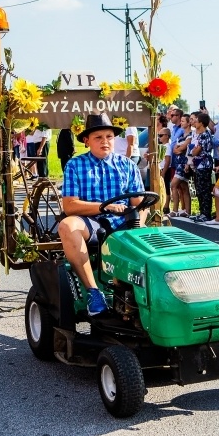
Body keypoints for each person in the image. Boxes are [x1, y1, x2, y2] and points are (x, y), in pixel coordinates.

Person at [59, 113, 144, 316]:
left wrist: (139, 223)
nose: (105, 141)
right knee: (67, 226)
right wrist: (105, 207)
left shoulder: (128, 165)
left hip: (124, 223)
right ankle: (93, 292)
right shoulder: (75, 165)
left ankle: (147, 294)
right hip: (91, 223)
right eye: (98, 137)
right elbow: (70, 206)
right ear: (87, 141)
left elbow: (139, 204)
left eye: (109, 137)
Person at [189, 112, 214, 222]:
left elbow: (196, 151)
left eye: (197, 121)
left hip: (204, 164)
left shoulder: (204, 135)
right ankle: (201, 212)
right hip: (199, 164)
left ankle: (206, 213)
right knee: (199, 189)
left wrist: (193, 150)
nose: (195, 122)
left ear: (201, 123)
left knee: (204, 189)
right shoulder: (200, 135)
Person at [170, 113, 192, 217]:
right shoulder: (181, 136)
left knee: (173, 185)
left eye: (183, 121)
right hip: (178, 162)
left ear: (188, 123)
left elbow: (183, 148)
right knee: (184, 187)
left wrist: (180, 149)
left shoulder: (190, 135)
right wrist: (179, 149)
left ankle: (175, 209)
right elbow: (175, 149)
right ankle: (187, 211)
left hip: (184, 164)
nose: (181, 123)